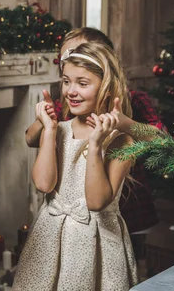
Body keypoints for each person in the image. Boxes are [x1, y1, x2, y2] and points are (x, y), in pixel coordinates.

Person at [13, 43, 138, 290]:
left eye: (82, 83)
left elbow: (95, 201)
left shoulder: (121, 141)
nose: (71, 91)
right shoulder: (59, 130)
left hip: (97, 242)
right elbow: (43, 184)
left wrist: (95, 145)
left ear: (105, 87)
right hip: (49, 238)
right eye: (66, 81)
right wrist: (48, 129)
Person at [25, 27, 161, 236]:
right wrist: (45, 122)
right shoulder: (68, 104)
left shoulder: (133, 101)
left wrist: (123, 123)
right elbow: (30, 138)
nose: (70, 59)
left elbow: (162, 140)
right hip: (67, 222)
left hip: (125, 208)